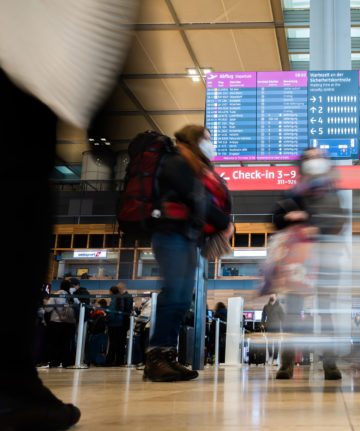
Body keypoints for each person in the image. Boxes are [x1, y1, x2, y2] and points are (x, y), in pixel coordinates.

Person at [0, 2, 136, 428]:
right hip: (23, 86)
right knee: (17, 231)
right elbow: (101, 15)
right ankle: (10, 388)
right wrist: (105, 125)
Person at [144, 124, 233, 382]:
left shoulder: (190, 165)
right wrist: (224, 223)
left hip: (184, 237)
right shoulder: (176, 161)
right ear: (194, 140)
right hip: (171, 235)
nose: (210, 144)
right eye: (206, 139)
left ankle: (167, 356)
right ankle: (157, 358)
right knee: (175, 296)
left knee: (181, 299)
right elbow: (198, 199)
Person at [271, 148, 346, 380]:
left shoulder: (332, 191)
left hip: (325, 258)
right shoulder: (294, 193)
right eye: (309, 158)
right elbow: (275, 219)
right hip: (299, 260)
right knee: (293, 312)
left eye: (318, 157)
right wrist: (287, 218)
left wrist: (314, 226)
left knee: (326, 311)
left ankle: (330, 364)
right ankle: (286, 364)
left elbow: (339, 220)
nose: (314, 162)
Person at [44, 280, 78, 368]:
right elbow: (78, 304)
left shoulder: (56, 294)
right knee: (65, 344)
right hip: (68, 323)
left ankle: (54, 362)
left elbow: (48, 309)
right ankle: (65, 362)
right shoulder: (71, 295)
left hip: (55, 322)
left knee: (54, 343)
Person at [106, 286, 127, 366]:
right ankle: (119, 361)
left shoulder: (113, 301)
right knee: (120, 344)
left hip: (113, 324)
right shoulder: (121, 299)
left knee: (113, 343)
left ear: (111, 292)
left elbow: (111, 314)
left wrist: (106, 320)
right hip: (121, 324)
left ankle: (110, 361)